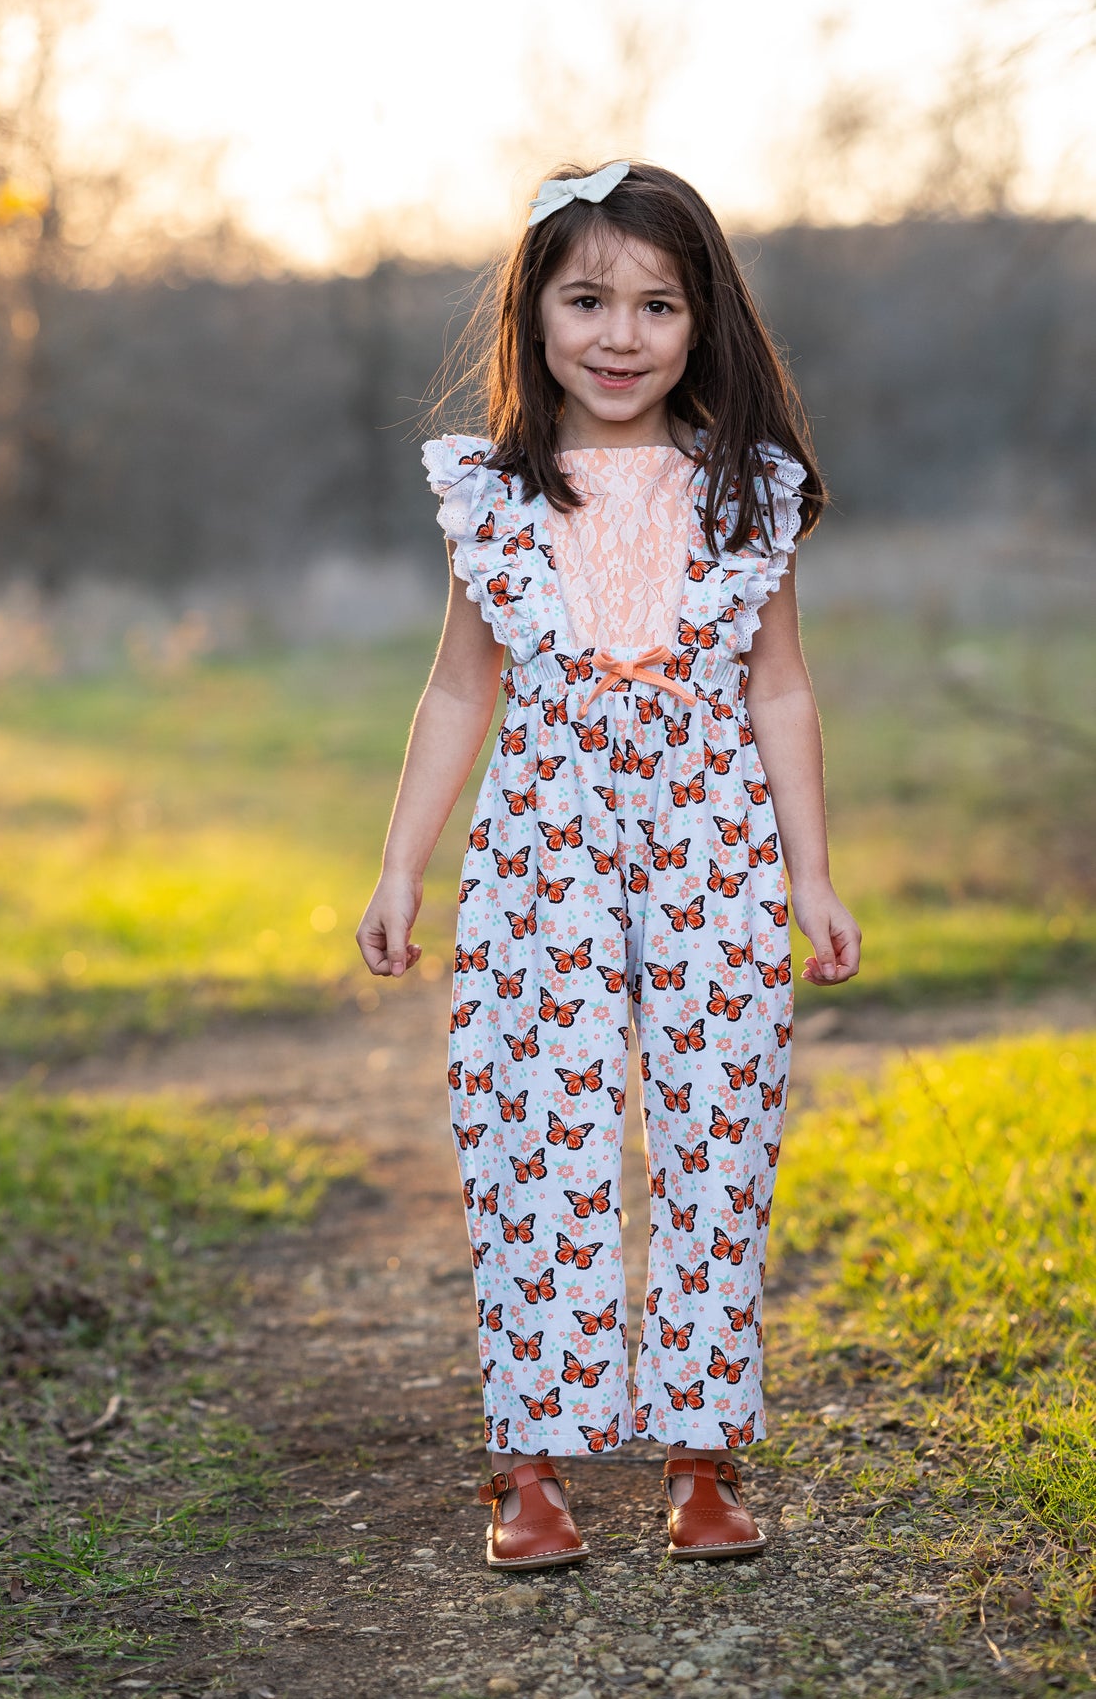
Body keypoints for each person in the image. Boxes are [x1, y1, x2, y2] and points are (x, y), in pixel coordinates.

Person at [357, 160, 860, 1571]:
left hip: (714, 846)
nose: (620, 334)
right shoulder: (492, 494)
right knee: (531, 1132)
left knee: (718, 1124)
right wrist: (403, 866)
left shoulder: (746, 490)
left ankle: (700, 1452)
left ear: (702, 319)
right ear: (535, 314)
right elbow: (459, 690)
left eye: (655, 301)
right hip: (543, 853)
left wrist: (811, 874)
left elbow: (779, 692)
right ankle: (530, 1460)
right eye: (586, 299)